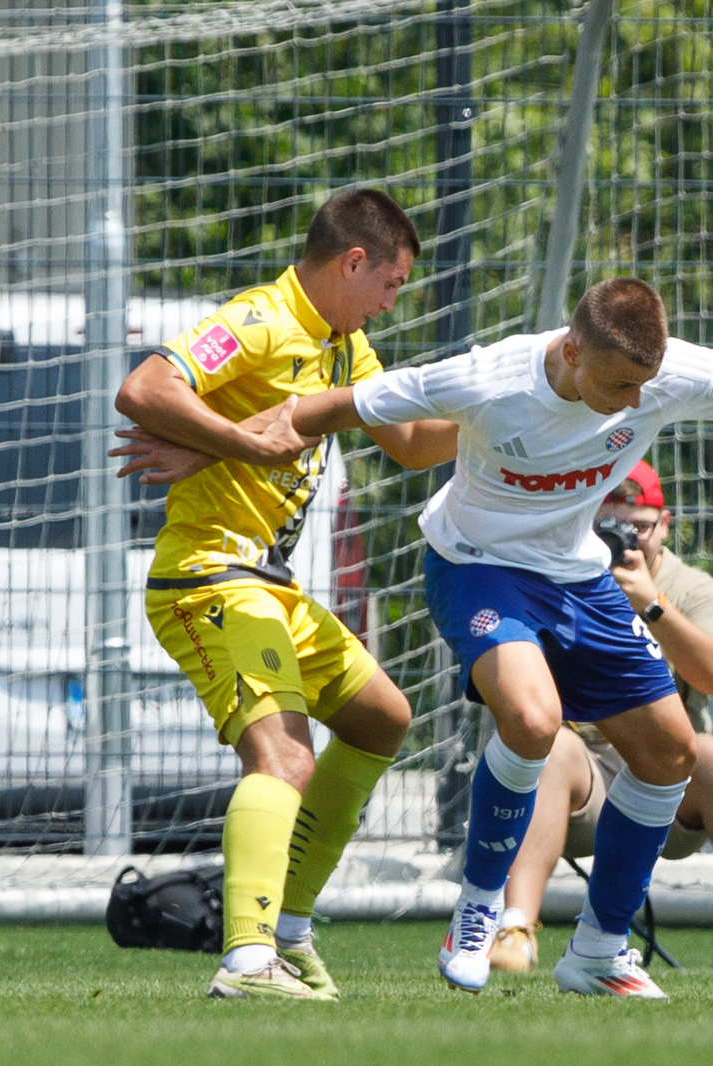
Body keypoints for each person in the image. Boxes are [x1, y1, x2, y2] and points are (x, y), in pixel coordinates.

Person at [278, 277, 713, 998]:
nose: (635, 402)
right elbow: (334, 407)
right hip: (479, 566)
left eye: (644, 385)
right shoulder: (494, 376)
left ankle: (600, 951)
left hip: (578, 577)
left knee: (672, 752)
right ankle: (478, 910)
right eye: (618, 385)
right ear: (572, 351)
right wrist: (212, 440)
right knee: (532, 719)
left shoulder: (663, 376)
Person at [112, 189, 457, 1002]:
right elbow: (146, 387)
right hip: (209, 574)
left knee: (383, 717)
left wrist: (496, 421)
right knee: (285, 756)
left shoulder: (346, 346)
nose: (390, 303)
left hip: (269, 584)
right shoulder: (262, 317)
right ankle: (246, 959)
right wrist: (238, 444)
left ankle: (290, 930)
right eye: (392, 285)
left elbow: (406, 444)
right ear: (354, 262)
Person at [487, 459, 713, 973]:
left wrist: (649, 603)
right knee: (554, 750)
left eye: (637, 525)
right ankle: (514, 929)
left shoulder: (693, 588)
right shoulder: (553, 576)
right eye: (604, 524)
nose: (622, 538)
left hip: (668, 781)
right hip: (578, 782)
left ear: (665, 524)